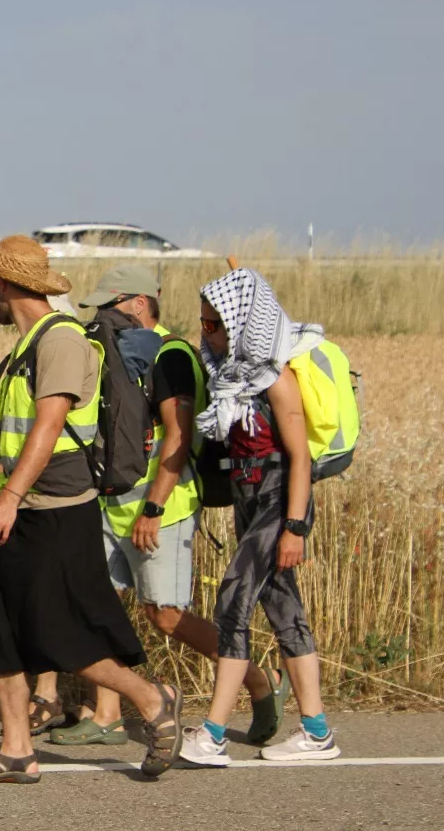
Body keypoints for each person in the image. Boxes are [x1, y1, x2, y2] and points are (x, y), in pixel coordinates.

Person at [0, 237, 182, 784]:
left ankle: (151, 701)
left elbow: (51, 426)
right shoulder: (31, 343)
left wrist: (8, 498)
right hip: (24, 502)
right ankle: (16, 751)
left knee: (60, 636)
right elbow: (22, 425)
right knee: (0, 631)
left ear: (4, 285)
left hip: (53, 509)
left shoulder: (60, 341)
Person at [44, 266, 288, 748]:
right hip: (110, 501)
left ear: (139, 303)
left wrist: (153, 508)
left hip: (162, 505)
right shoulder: (113, 351)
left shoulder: (170, 353)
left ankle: (261, 682)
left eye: (110, 307)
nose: (103, 318)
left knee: (165, 615)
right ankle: (108, 715)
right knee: (97, 603)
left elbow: (177, 436)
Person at [178, 266, 341, 765]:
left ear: (241, 323)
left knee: (232, 603)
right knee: (284, 610)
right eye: (202, 324)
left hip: (276, 498)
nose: (207, 334)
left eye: (213, 325)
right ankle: (316, 733)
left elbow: (300, 459)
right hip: (250, 498)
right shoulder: (235, 377)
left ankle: (213, 734)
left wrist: (294, 527)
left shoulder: (278, 378)